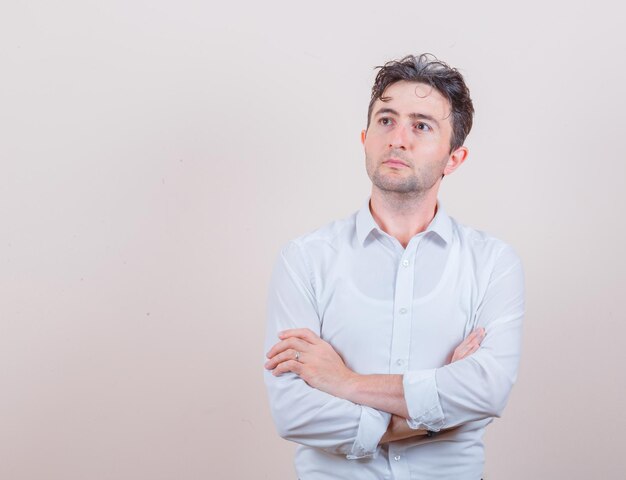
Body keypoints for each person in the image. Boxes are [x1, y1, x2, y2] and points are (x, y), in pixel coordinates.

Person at [263, 53, 524, 480]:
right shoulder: (305, 258)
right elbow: (293, 413)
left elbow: (486, 391)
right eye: (386, 120)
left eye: (421, 125)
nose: (397, 139)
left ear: (454, 159)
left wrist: (343, 382)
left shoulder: (493, 262)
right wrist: (436, 411)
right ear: (365, 137)